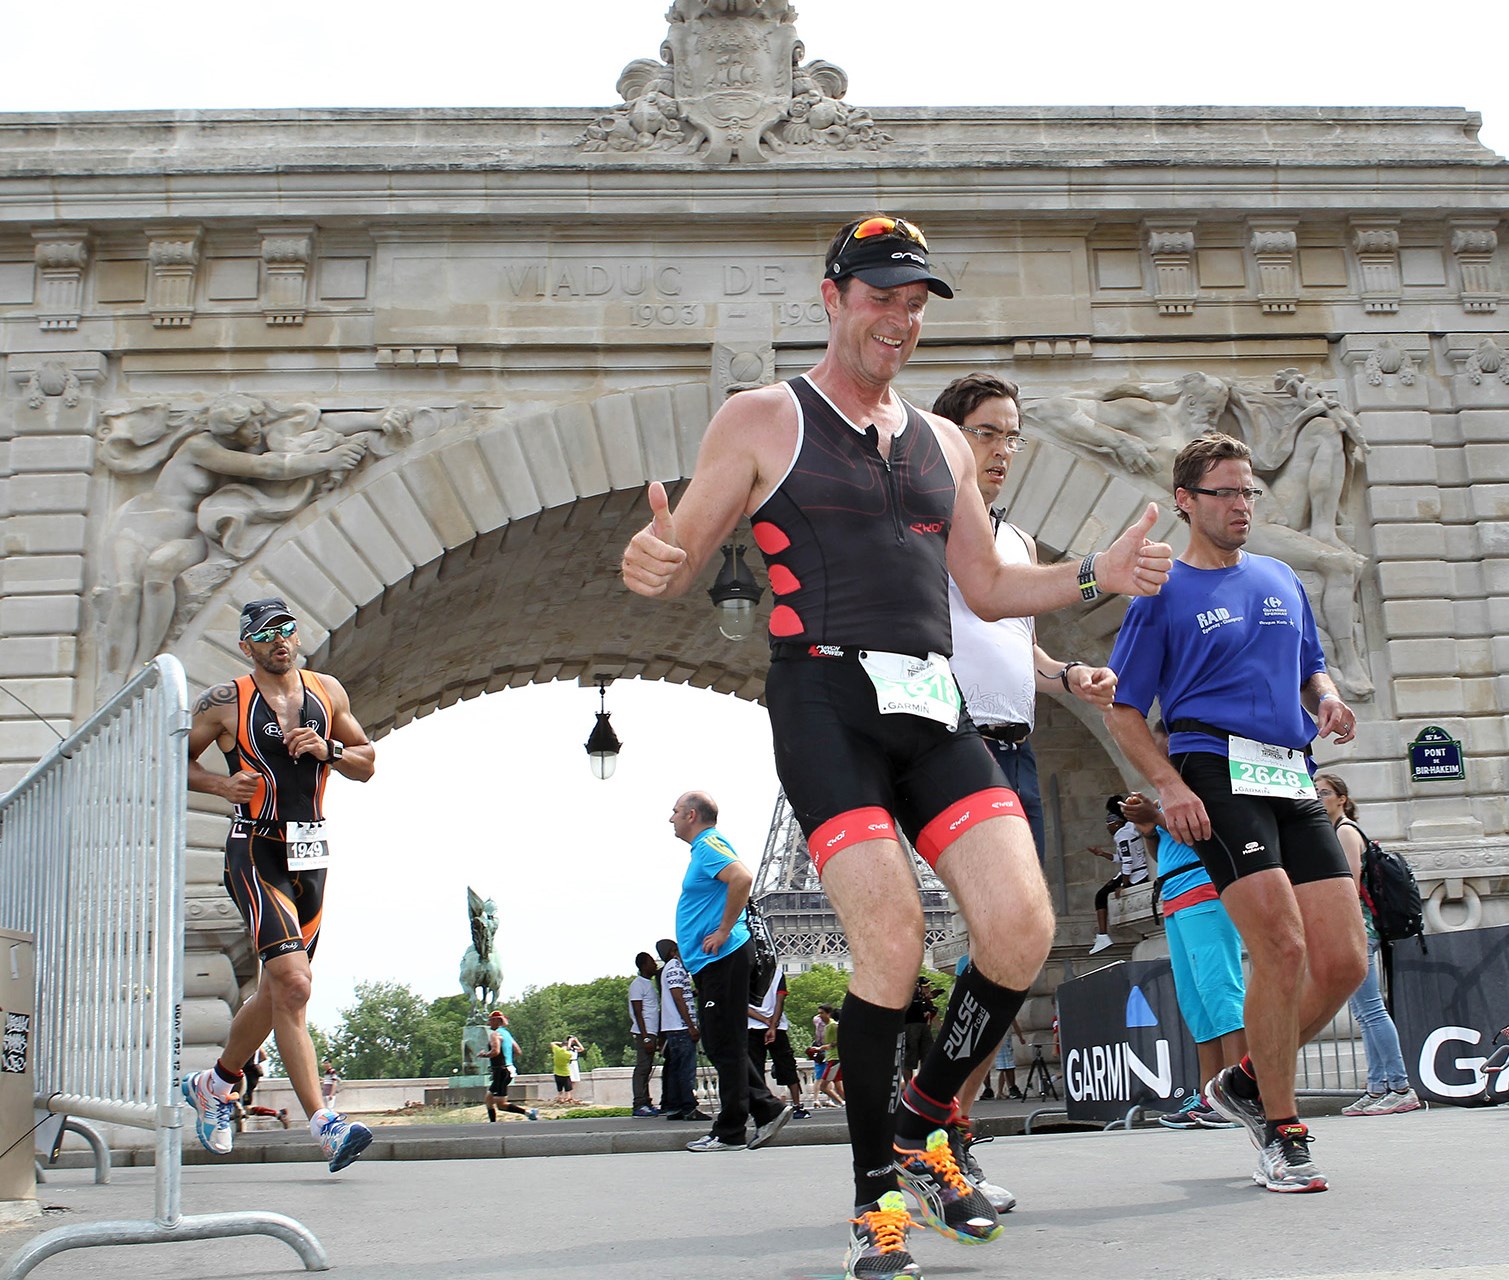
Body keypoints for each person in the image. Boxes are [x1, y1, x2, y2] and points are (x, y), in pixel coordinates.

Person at [623, 212, 1172, 1276]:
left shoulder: (944, 442)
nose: (899, 318)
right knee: (891, 942)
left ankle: (924, 1118)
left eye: (915, 302)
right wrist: (650, 560)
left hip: (931, 698)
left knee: (1019, 925)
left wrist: (1094, 575)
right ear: (832, 298)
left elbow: (989, 586)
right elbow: (678, 551)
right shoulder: (761, 417)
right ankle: (873, 1197)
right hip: (824, 699)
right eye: (881, 296)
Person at [1104, 430, 1367, 1195]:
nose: (1241, 505)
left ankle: (1247, 1081)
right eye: (1225, 492)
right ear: (1185, 501)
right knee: (1279, 946)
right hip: (1212, 768)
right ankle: (1281, 1131)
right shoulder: (1160, 593)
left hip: (1290, 771)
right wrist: (1168, 787)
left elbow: (1309, 665)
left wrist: (1325, 698)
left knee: (1344, 960)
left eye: (1248, 491)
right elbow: (1123, 711)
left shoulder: (1279, 577)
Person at [181, 596, 376, 1174]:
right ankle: (325, 1125)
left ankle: (216, 1084)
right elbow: (171, 760)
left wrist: (329, 749)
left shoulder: (327, 691)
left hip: (311, 852)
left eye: (286, 629)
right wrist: (221, 786)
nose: (279, 640)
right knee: (294, 982)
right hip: (255, 847)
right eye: (265, 634)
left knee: (277, 991)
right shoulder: (224, 702)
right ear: (247, 646)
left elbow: (367, 761)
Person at [933, 370, 1119, 866]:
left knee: (1028, 899)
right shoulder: (921, 527)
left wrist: (1072, 675)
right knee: (1000, 896)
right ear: (948, 436)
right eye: (987, 433)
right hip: (955, 742)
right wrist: (1098, 572)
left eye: (1012, 437)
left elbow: (1024, 651)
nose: (1002, 451)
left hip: (1018, 749)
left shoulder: (1022, 543)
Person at [668, 791, 793, 1153]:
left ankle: (733, 1129)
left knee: (723, 1041)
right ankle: (759, 1113)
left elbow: (741, 878)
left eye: (675, 811)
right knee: (724, 1041)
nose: (671, 818)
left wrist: (723, 930)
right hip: (715, 961)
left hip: (723, 957)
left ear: (691, 815)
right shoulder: (704, 848)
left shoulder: (708, 845)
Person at [1117, 785, 1246, 1131]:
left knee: (1219, 991)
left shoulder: (1201, 787)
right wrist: (1149, 828)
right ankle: (1208, 1097)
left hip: (1204, 889)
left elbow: (1201, 833)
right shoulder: (1167, 797)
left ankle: (1238, 1094)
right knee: (1194, 1001)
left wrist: (1156, 817)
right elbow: (1162, 851)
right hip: (1175, 896)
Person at [1314, 773, 1422, 1117]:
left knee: (1371, 1010)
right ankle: (1377, 1087)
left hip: (1358, 927)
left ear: (1342, 799)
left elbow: (1348, 882)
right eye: (1314, 792)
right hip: (1353, 927)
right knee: (1364, 1012)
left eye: (1324, 792)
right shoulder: (1334, 830)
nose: (1318, 797)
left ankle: (1400, 1087)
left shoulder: (1345, 831)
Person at [1087, 796, 1152, 954]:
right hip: (1140, 871)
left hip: (1135, 874)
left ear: (1116, 823)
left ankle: (1103, 935)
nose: (1108, 828)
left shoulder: (1122, 834)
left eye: (1109, 824)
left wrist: (1124, 884)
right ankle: (1102, 936)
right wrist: (1102, 854)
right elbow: (1121, 858)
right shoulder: (1130, 830)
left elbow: (1128, 861)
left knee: (1101, 896)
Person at [656, 938, 707, 1122]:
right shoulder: (676, 968)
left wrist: (692, 994)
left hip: (672, 1026)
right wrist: (691, 1025)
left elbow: (677, 994)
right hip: (681, 1026)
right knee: (686, 1069)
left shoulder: (667, 969)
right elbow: (678, 997)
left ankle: (674, 1107)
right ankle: (688, 1107)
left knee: (676, 1069)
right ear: (673, 951)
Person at [748, 962, 807, 1118]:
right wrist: (773, 1025)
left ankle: (762, 1107)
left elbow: (741, 1005)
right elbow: (780, 1000)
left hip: (752, 1026)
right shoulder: (777, 972)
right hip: (777, 1026)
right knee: (787, 1065)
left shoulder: (741, 972)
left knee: (755, 1069)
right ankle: (797, 1106)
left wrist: (764, 1021)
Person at [481, 1011, 539, 1123]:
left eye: (490, 1020)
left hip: (501, 1071)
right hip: (508, 1069)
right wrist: (508, 1060)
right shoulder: (506, 1034)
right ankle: (492, 1124)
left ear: (497, 1021)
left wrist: (484, 1055)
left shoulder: (495, 1034)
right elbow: (518, 1051)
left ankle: (530, 1112)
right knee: (488, 1099)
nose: (489, 1023)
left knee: (501, 1104)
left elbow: (495, 1051)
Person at [629, 951, 662, 1116]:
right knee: (642, 1068)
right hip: (645, 1032)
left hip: (651, 1031)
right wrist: (646, 1037)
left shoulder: (649, 984)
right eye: (651, 962)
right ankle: (639, 1104)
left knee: (647, 1067)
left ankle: (646, 1102)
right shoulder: (638, 984)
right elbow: (638, 1011)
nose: (654, 965)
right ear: (643, 966)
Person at [549, 1039, 578, 1105]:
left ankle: (560, 1099)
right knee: (568, 1089)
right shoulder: (568, 1054)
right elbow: (570, 1053)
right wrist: (569, 1044)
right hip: (565, 1073)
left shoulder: (557, 1050)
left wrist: (561, 1043)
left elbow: (552, 1043)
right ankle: (568, 1099)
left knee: (559, 1089)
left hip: (557, 1072)